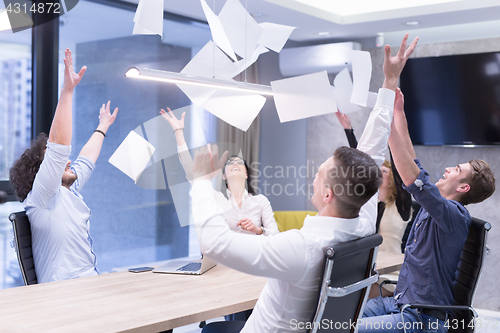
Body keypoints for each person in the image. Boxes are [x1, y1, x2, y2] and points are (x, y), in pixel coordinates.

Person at [188, 34, 418, 333]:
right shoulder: (361, 220)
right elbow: (372, 151)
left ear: (327, 193)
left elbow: (216, 244)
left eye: (319, 172)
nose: (313, 176)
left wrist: (201, 181)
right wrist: (389, 83)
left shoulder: (301, 248)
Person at [359, 86, 496, 333]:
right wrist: (399, 113)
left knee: (346, 328)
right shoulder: (434, 205)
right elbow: (413, 164)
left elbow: (413, 178)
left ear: (464, 187)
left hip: (422, 319)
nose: (447, 169)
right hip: (397, 303)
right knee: (335, 313)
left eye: (456, 169)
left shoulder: (455, 215)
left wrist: (386, 123)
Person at [9, 49, 119, 283]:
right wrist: (67, 91)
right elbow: (59, 147)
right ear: (43, 172)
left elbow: (86, 159)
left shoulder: (69, 191)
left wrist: (103, 126)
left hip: (89, 285)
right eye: (55, 162)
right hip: (64, 298)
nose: (68, 162)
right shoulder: (42, 196)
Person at [160, 109, 279, 237]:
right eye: (230, 163)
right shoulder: (217, 197)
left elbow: (276, 235)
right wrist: (178, 132)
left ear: (246, 174)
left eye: (239, 162)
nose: (234, 164)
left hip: (254, 255)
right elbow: (192, 173)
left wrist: (258, 229)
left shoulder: (260, 201)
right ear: (224, 176)